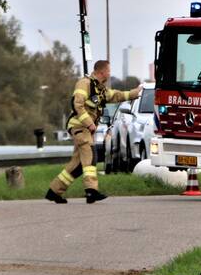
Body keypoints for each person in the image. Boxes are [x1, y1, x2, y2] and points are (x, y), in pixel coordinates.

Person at [46, 60, 142, 204]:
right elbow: (77, 104)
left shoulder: (100, 89)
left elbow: (116, 95)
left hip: (86, 129)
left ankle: (54, 191)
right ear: (102, 71)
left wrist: (136, 92)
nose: (110, 73)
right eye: (109, 71)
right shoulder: (84, 84)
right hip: (79, 128)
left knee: (77, 165)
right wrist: (89, 123)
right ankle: (91, 191)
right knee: (91, 155)